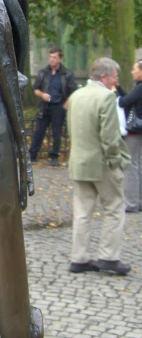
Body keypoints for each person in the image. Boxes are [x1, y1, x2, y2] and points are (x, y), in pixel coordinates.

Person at [67, 58, 131, 275]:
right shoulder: (106, 97)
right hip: (102, 164)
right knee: (114, 208)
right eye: (115, 76)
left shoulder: (76, 96)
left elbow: (71, 130)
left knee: (83, 211)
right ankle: (109, 256)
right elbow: (110, 137)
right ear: (104, 76)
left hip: (79, 162)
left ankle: (79, 258)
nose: (116, 80)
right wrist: (116, 161)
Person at [29, 47, 77, 166]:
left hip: (58, 106)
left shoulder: (67, 74)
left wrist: (66, 104)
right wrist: (42, 94)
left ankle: (54, 157)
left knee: (57, 133)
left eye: (54, 57)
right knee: (39, 131)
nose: (52, 60)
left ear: (60, 59)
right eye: (50, 57)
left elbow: (73, 91)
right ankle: (32, 155)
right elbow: (35, 89)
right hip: (44, 106)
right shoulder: (43, 72)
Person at [118, 60, 142, 212]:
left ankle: (132, 202)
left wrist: (115, 94)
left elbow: (124, 102)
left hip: (135, 131)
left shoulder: (140, 87)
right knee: (138, 165)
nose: (132, 72)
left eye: (135, 69)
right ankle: (138, 201)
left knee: (131, 165)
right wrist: (119, 88)